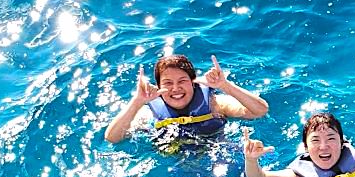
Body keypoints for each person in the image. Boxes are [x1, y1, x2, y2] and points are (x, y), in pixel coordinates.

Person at [104, 53, 269, 146]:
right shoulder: (149, 114)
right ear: (159, 87)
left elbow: (260, 111)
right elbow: (112, 138)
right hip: (185, 169)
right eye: (168, 83)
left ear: (193, 82)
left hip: (223, 154)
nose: (175, 89)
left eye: (182, 81)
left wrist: (225, 86)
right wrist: (136, 102)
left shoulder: (214, 103)